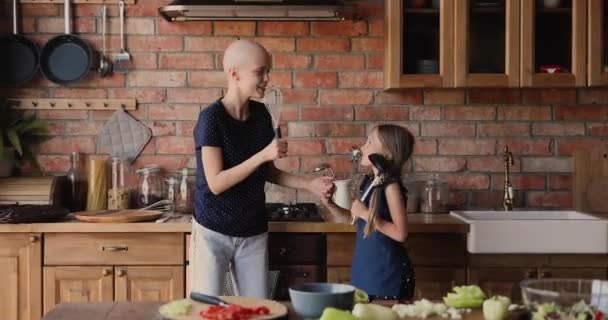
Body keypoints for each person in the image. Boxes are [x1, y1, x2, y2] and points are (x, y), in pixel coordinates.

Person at [191, 40, 333, 298]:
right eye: (260, 71)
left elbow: (268, 172)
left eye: (268, 71)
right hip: (213, 230)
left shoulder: (262, 115)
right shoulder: (211, 118)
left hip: (253, 229)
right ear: (234, 73)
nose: (267, 78)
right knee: (206, 309)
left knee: (259, 309)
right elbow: (216, 183)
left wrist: (309, 184)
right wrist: (261, 155)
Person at [321, 124, 416, 301]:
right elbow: (355, 219)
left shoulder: (391, 187)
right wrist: (330, 205)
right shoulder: (371, 182)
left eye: (370, 142)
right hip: (366, 271)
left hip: (387, 277)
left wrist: (365, 213)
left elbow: (401, 234)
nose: (363, 147)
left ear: (387, 154)